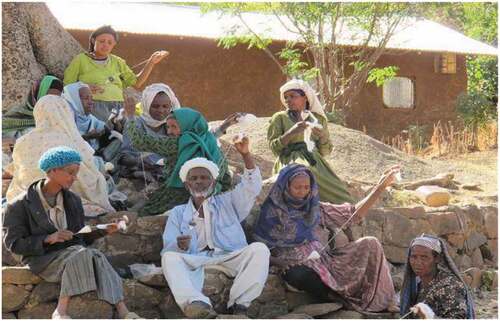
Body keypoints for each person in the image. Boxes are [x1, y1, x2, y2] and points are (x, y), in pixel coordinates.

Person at [3, 146, 140, 319]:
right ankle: (61, 311)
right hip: (42, 260)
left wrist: (102, 231)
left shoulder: (73, 200)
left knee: (94, 255)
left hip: (72, 255)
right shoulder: (18, 205)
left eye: (76, 173)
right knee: (82, 254)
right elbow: (14, 244)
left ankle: (124, 312)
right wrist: (47, 239)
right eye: (70, 172)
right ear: (52, 171)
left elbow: (77, 236)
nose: (74, 178)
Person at [253, 163, 399, 313]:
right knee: (300, 275)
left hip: (325, 261)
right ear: (285, 187)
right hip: (293, 265)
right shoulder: (271, 213)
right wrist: (280, 262)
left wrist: (380, 187)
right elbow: (260, 249)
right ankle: (339, 298)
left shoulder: (315, 208)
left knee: (370, 243)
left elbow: (354, 214)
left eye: (306, 187)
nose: (302, 192)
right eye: (297, 187)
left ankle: (386, 299)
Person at [161, 136, 269, 318]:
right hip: (196, 259)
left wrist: (246, 155)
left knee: (260, 250)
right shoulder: (178, 213)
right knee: (170, 259)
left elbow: (252, 187)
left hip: (230, 256)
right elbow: (168, 246)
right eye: (194, 178)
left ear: (212, 182)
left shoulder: (229, 201)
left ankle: (240, 305)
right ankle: (198, 304)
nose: (199, 181)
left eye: (204, 177)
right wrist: (179, 245)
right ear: (187, 184)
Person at [123, 95, 237, 216]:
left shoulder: (179, 142)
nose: (169, 132)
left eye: (174, 127)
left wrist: (130, 116)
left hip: (180, 195)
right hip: (212, 195)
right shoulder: (209, 141)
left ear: (187, 125)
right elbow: (225, 178)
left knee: (144, 211)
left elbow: (140, 141)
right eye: (167, 127)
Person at [6, 95, 114, 216]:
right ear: (65, 113)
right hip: (61, 200)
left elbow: (16, 170)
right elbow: (86, 180)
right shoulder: (68, 140)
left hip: (24, 199)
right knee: (105, 182)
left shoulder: (22, 141)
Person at [267, 79, 352, 204]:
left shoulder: (317, 119)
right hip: (288, 159)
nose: (288, 100)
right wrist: (291, 132)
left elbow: (325, 151)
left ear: (305, 97)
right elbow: (274, 148)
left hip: (314, 160)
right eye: (286, 97)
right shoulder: (279, 118)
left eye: (293, 96)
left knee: (340, 193)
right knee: (303, 172)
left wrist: (322, 136)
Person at [63, 25, 168, 121]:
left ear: (114, 45)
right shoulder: (81, 60)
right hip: (93, 105)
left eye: (109, 42)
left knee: (119, 136)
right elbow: (67, 85)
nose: (105, 45)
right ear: (93, 40)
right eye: (101, 41)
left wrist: (151, 62)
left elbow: (137, 82)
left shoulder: (118, 62)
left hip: (118, 107)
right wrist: (84, 87)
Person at [400, 235, 475, 319]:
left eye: (424, 257)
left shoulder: (449, 286)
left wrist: (430, 317)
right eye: (414, 257)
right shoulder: (418, 284)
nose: (418, 262)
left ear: (437, 259)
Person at [119, 83, 180, 182]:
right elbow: (125, 156)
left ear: (171, 106)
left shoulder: (172, 125)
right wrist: (139, 162)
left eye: (165, 106)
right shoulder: (136, 123)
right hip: (141, 168)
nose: (161, 110)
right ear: (146, 105)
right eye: (155, 106)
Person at [3, 75, 64, 140]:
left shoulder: (60, 121)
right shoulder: (17, 115)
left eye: (56, 99)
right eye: (48, 97)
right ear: (37, 94)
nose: (51, 102)